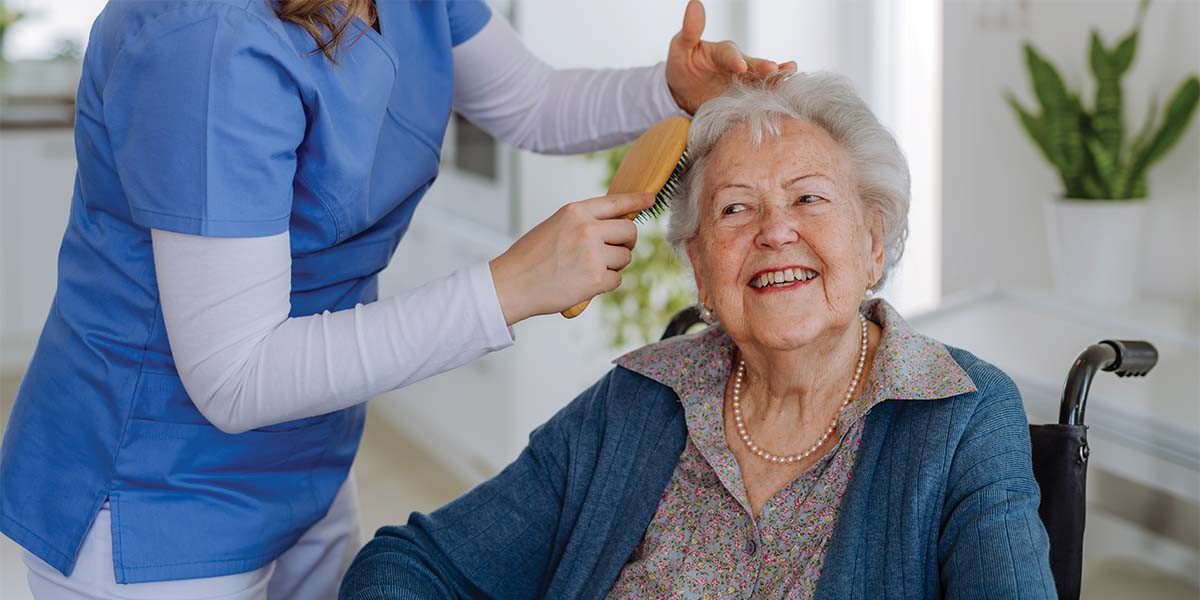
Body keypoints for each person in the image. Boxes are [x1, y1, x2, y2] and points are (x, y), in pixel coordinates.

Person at [0, 0, 797, 597]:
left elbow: (530, 102)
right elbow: (235, 378)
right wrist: (509, 287)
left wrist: (668, 86)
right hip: (150, 498)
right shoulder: (206, 39)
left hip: (306, 455)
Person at [339, 73, 1058, 600]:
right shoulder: (637, 401)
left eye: (809, 197)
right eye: (736, 209)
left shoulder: (961, 413)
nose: (776, 231)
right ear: (701, 270)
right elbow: (409, 567)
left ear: (873, 240)